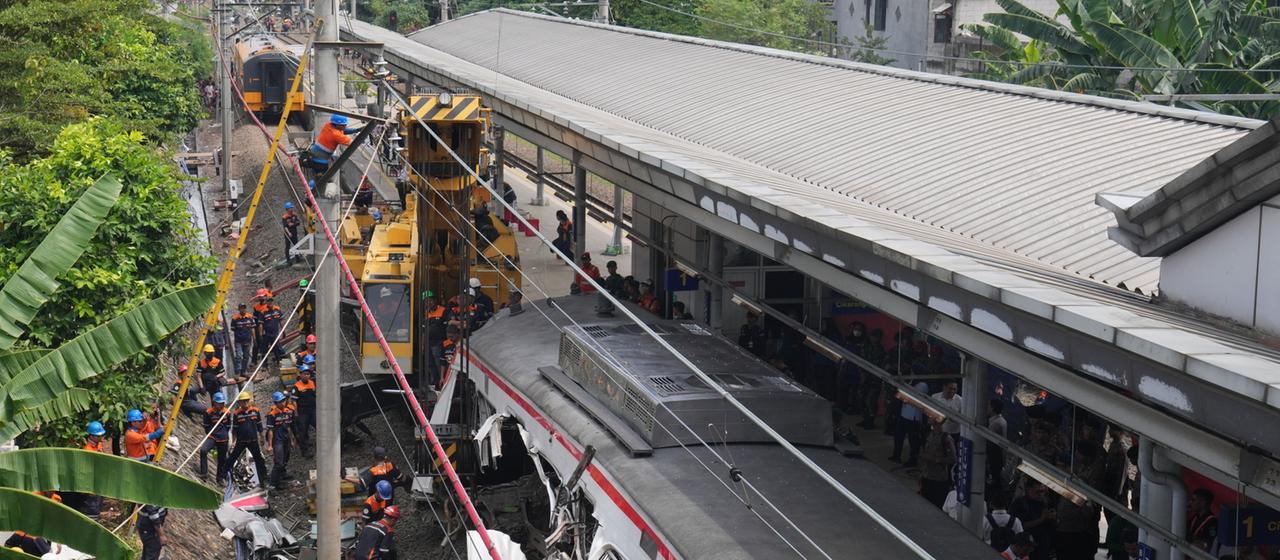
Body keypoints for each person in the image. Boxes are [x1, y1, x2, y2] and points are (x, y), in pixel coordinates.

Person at [225, 391, 269, 486]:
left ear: (249, 401)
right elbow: (234, 430)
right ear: (239, 403)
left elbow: (260, 426)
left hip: (253, 441)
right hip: (241, 441)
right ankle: (223, 475)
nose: (245, 403)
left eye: (246, 400)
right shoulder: (236, 414)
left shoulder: (255, 411)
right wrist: (233, 442)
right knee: (232, 457)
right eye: (243, 401)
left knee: (259, 460)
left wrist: (262, 438)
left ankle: (263, 480)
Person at [1011, 482, 1056, 560]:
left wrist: (1053, 518)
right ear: (1028, 489)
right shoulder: (1020, 503)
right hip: (1026, 546)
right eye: (1038, 491)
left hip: (1043, 545)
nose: (1041, 494)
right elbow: (1020, 525)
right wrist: (1041, 520)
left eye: (1042, 491)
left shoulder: (1045, 503)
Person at [918, 417, 956, 508]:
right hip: (926, 476)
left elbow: (953, 459)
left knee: (937, 505)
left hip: (939, 479)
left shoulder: (946, 438)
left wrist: (936, 460)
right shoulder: (928, 434)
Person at [891, 380, 928, 467]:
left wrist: (906, 398)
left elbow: (917, 399)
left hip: (914, 417)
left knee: (914, 441)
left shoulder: (922, 385)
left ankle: (913, 460)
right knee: (898, 437)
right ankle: (896, 455)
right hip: (904, 415)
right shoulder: (910, 382)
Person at [265, 391, 297, 490]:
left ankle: (282, 475)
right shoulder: (272, 414)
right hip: (277, 441)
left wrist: (292, 440)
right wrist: (270, 445)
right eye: (280, 401)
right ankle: (273, 484)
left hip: (286, 439)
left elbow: (288, 427)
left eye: (283, 400)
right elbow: (270, 431)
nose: (283, 403)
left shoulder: (288, 412)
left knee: (285, 458)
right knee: (278, 462)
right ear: (276, 403)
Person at [200, 391, 232, 484]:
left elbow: (228, 426)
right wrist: (212, 434)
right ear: (214, 403)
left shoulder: (227, 412)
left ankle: (220, 478)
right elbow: (206, 426)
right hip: (212, 436)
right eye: (219, 403)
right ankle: (204, 473)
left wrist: (223, 433)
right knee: (203, 450)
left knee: (222, 458)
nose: (221, 405)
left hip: (223, 438)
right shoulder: (208, 412)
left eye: (222, 403)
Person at [292, 366, 317, 457]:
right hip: (302, 412)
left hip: (312, 410)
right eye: (305, 374)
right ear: (300, 375)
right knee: (303, 430)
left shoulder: (312, 383)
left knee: (319, 426)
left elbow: (315, 395)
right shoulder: (297, 386)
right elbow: (294, 401)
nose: (306, 376)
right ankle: (305, 450)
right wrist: (296, 413)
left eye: (308, 374)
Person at [231, 303, 257, 376]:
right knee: (239, 356)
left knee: (246, 357)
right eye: (241, 308)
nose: (243, 309)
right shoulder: (235, 318)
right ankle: (237, 372)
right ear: (239, 309)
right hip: (238, 341)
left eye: (244, 308)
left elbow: (252, 328)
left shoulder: (250, 317)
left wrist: (254, 339)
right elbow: (233, 329)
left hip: (248, 340)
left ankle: (244, 371)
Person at [1188, 488, 1218, 553]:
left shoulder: (1212, 522)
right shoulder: (1195, 517)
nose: (1190, 502)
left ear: (1203, 503)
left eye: (1193, 500)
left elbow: (1208, 544)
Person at [988, 399, 1008, 493]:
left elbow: (989, 441)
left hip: (995, 455)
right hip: (999, 454)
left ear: (992, 408)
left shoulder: (995, 423)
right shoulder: (1002, 420)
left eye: (988, 406)